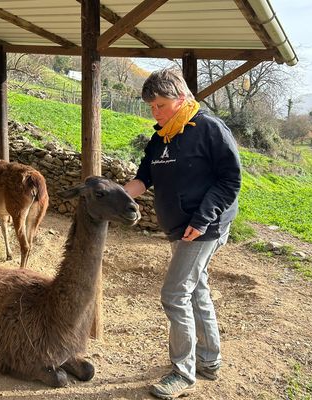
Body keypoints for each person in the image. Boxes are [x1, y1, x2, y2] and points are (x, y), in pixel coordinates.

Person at [124, 67, 241, 399]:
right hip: (180, 227)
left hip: (203, 227)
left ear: (181, 98)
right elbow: (143, 177)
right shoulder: (162, 136)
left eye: (159, 105)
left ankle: (183, 373)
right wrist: (114, 195)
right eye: (150, 106)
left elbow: (230, 180)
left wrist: (202, 219)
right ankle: (209, 360)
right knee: (196, 288)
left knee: (174, 294)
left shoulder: (209, 129)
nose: (154, 112)